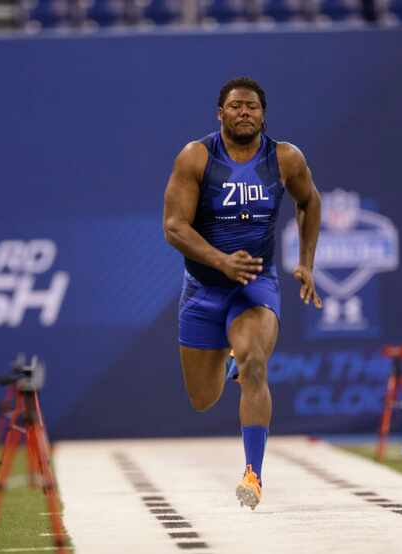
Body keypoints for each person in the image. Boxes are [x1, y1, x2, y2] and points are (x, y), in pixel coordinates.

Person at [162, 77, 322, 510]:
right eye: (235, 106)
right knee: (203, 398)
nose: (244, 112)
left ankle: (253, 474)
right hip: (203, 289)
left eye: (252, 106)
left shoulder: (285, 158)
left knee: (254, 362)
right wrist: (220, 261)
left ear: (263, 114)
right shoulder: (197, 156)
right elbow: (175, 226)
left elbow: (309, 202)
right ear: (221, 113)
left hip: (256, 286)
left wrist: (306, 261)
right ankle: (228, 356)